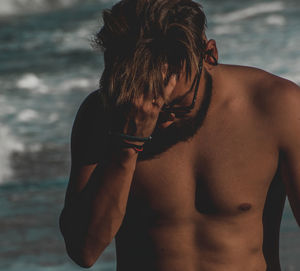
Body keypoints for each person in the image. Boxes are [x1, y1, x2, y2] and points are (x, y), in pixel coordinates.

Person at [59, 0, 300, 270]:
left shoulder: (276, 106)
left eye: (174, 104)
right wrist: (127, 145)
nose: (156, 116)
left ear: (209, 56)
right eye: (142, 101)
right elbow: (84, 251)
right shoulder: (104, 115)